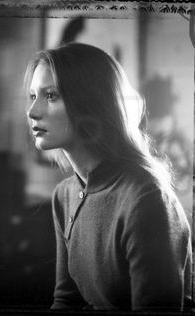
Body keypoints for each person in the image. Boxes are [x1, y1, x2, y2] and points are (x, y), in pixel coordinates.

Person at [25, 42, 192, 311]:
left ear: (89, 103)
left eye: (51, 95)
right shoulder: (64, 195)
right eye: (33, 96)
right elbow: (66, 301)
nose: (32, 111)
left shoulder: (145, 198)